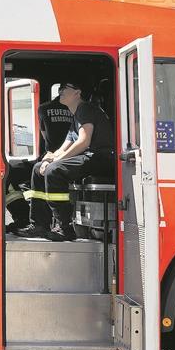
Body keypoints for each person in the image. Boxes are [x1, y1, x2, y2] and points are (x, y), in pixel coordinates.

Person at [14, 82, 115, 242]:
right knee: (38, 169)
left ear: (77, 92)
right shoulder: (75, 116)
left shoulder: (85, 109)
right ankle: (39, 224)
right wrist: (48, 159)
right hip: (91, 156)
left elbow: (83, 141)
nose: (60, 91)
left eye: (65, 88)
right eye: (59, 88)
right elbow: (64, 147)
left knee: (55, 171)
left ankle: (65, 228)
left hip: (101, 158)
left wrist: (55, 162)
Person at [5, 90, 74, 235]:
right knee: (12, 170)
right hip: (63, 156)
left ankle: (28, 219)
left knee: (9, 172)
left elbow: (44, 134)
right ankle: (25, 219)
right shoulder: (76, 111)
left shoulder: (44, 109)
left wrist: (50, 157)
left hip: (53, 157)